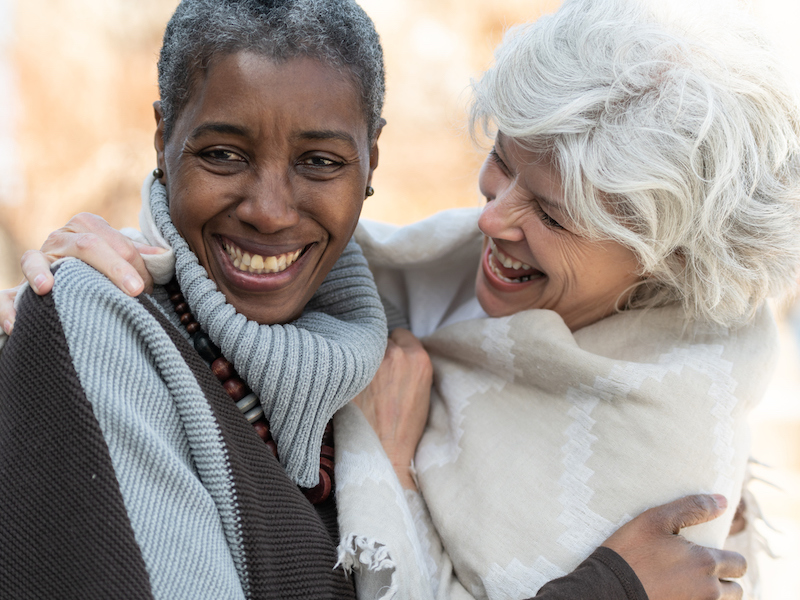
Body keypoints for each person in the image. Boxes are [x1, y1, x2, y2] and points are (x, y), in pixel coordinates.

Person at [0, 0, 761, 599]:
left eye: (555, 215)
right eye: (500, 163)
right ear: (161, 138)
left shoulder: (680, 421)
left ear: (372, 160)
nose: (491, 219)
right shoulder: (113, 320)